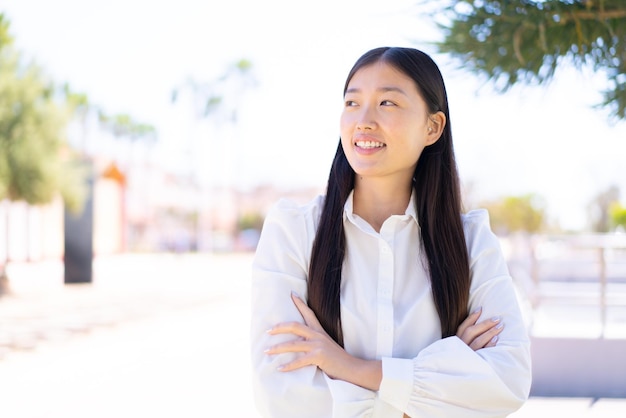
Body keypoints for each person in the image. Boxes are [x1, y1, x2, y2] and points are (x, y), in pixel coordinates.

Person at [250, 46, 531, 417]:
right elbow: (283, 394)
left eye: (388, 104)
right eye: (352, 103)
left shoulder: (471, 242)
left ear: (432, 127)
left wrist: (349, 367)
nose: (363, 120)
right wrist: (434, 384)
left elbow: (507, 380)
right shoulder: (295, 232)